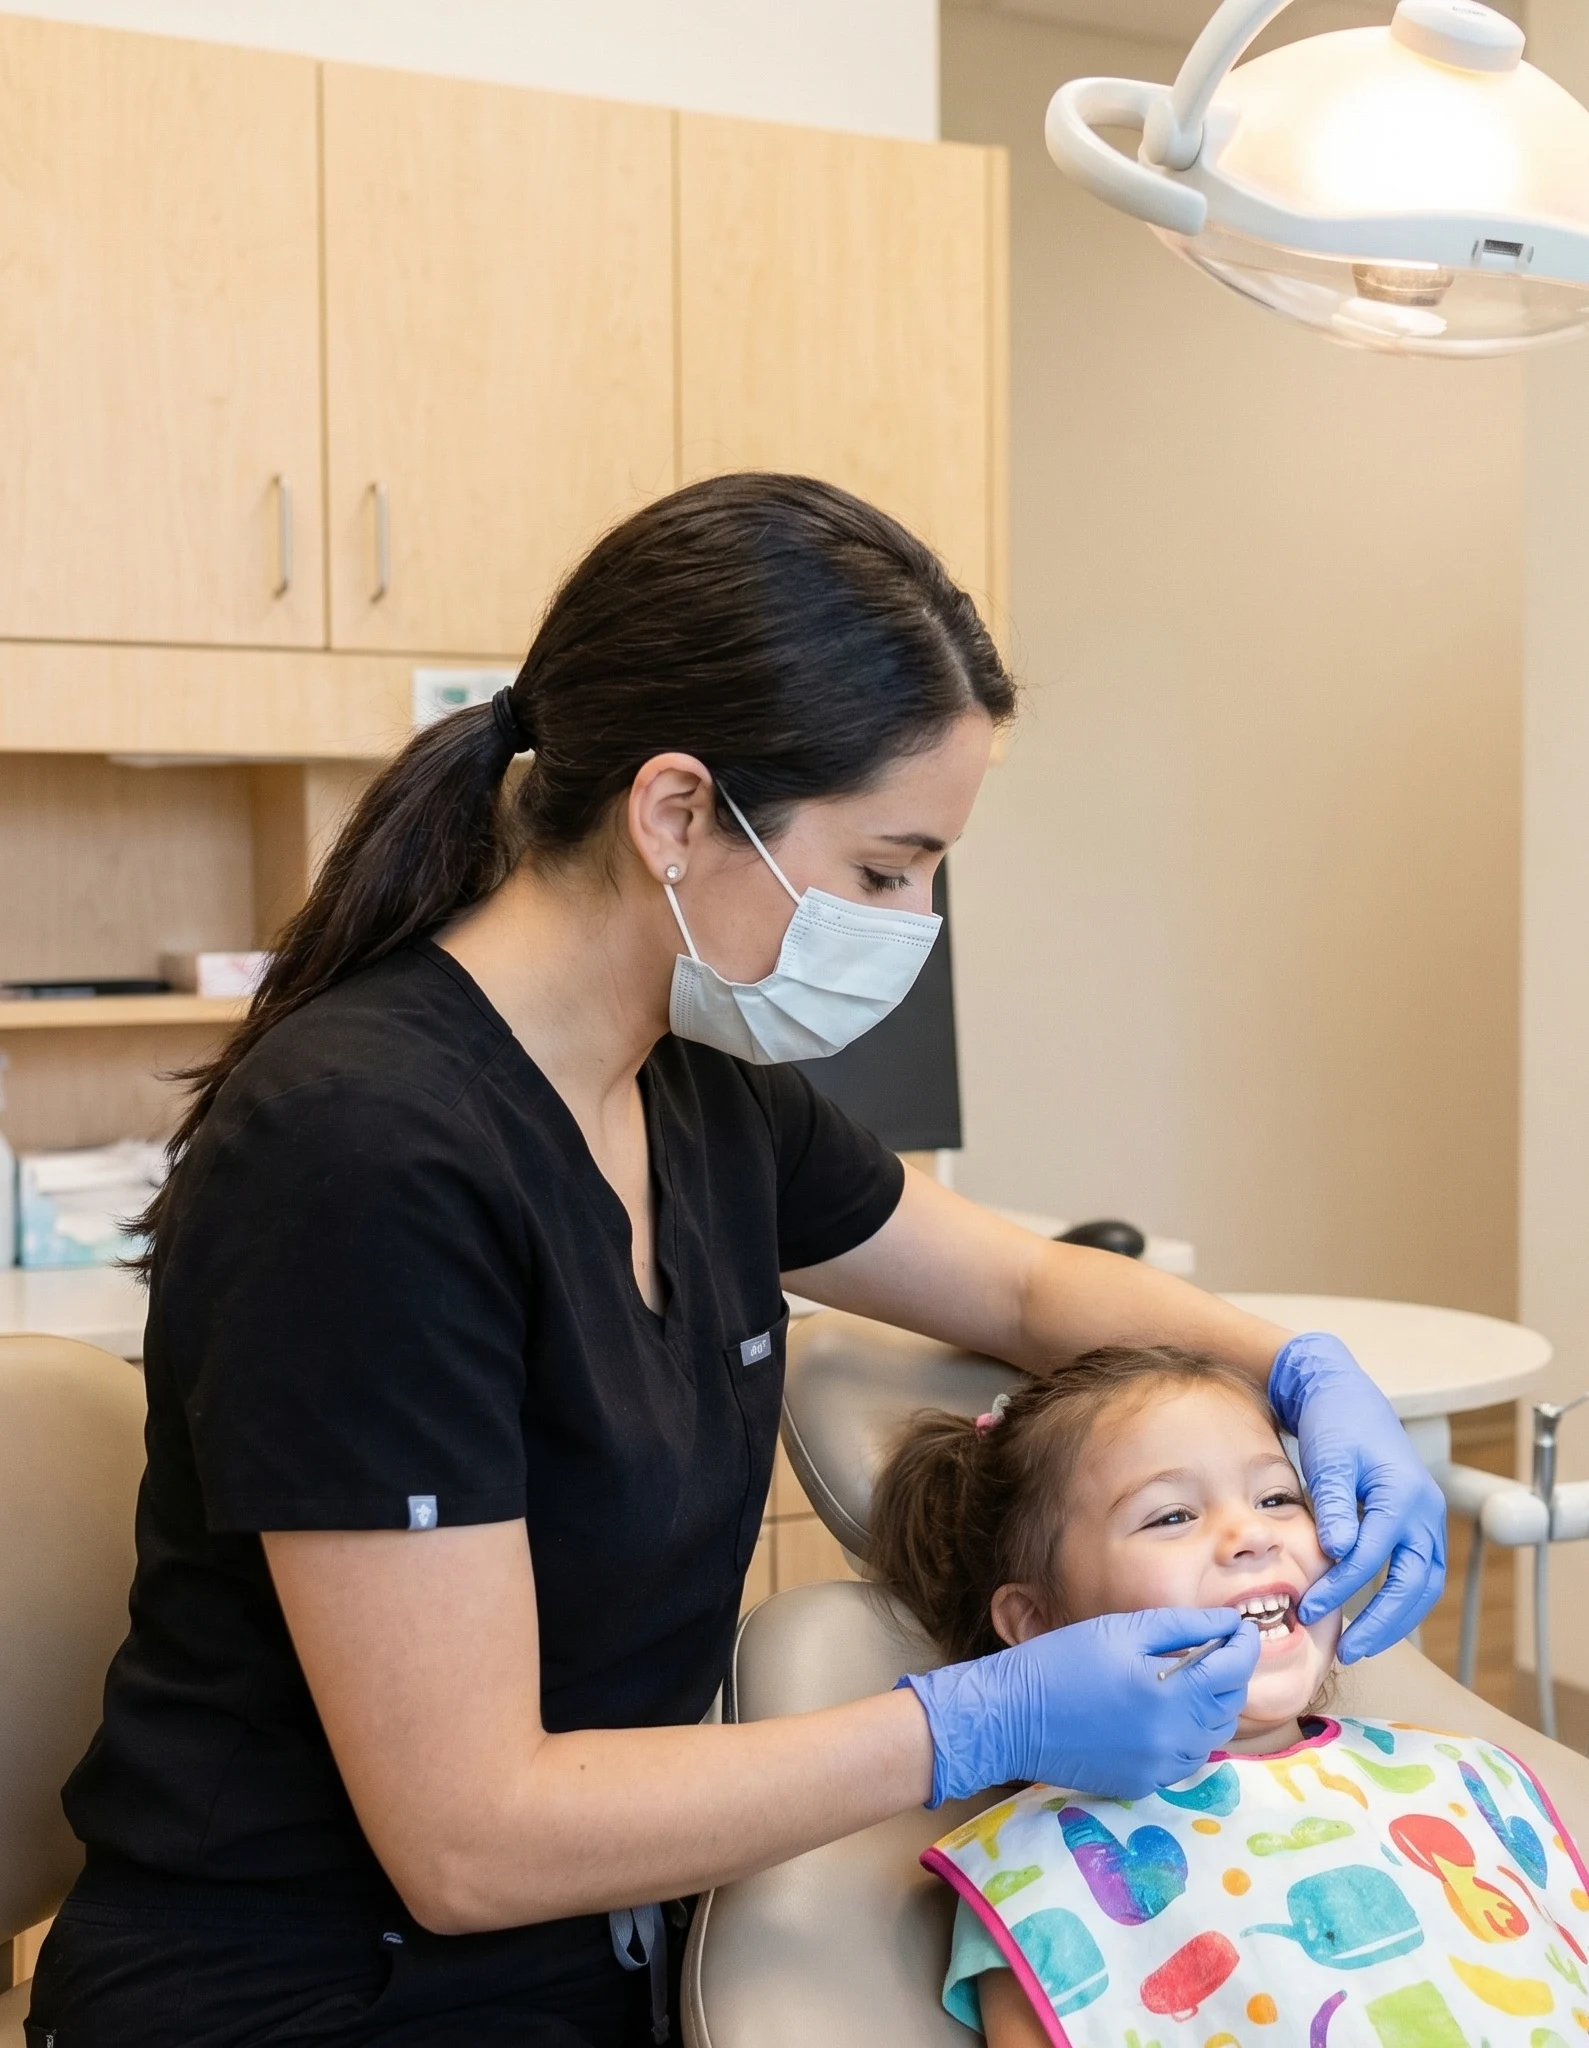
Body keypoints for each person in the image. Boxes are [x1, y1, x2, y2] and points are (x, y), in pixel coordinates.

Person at [25, 476, 1447, 2048]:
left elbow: (1029, 1288)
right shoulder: (361, 1160)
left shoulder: (694, 1092)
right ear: (679, 812)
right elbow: (472, 1838)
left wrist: (1300, 1372)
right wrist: (979, 1721)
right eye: (885, 871)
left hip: (612, 1957)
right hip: (316, 1994)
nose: (911, 928)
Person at [870, 1345, 1589, 2048]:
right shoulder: (1042, 1877)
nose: (1252, 1534)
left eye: (1277, 1497)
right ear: (1038, 1621)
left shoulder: (1459, 1783)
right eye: (1173, 1515)